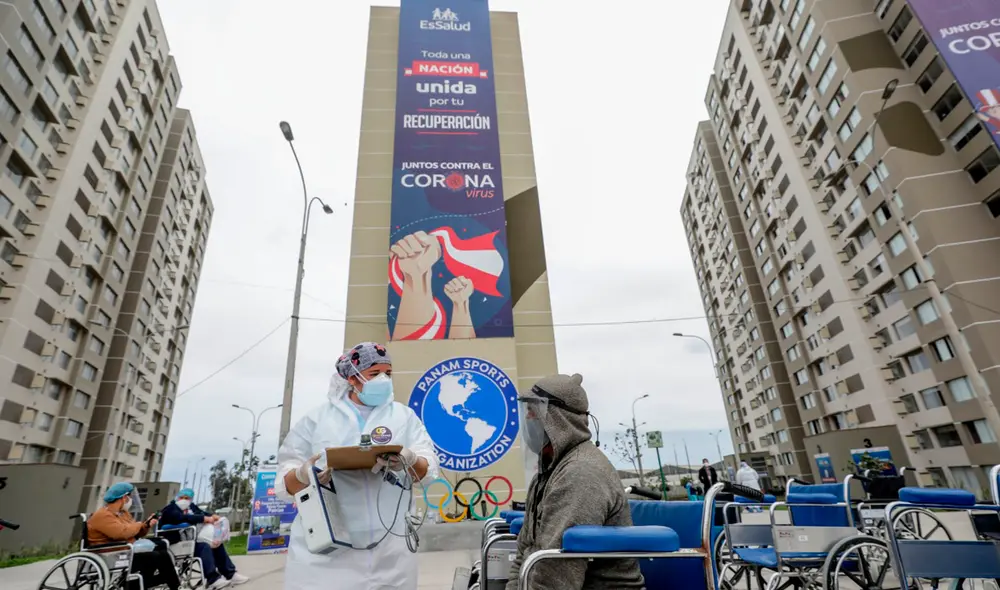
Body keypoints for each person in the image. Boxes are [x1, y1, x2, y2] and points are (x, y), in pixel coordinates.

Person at [274, 341, 439, 590]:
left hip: (390, 553)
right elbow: (285, 486)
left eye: (388, 373)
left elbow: (427, 471)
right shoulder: (317, 420)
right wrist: (305, 474)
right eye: (375, 374)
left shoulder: (403, 417)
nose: (383, 379)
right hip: (327, 557)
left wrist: (408, 458)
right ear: (352, 377)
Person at [507, 373, 645, 590]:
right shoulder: (546, 474)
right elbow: (525, 553)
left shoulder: (580, 473)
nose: (526, 420)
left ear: (558, 419)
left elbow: (556, 577)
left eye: (533, 412)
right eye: (526, 411)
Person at [88, 482, 181, 590]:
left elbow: (134, 532)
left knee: (161, 551)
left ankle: (170, 584)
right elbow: (121, 533)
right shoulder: (103, 515)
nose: (131, 499)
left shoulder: (123, 513)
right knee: (157, 557)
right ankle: (172, 584)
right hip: (110, 554)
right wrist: (138, 525)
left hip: (123, 550)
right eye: (130, 496)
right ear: (123, 497)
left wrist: (145, 525)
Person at [160, 488, 248, 589]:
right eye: (182, 497)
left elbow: (201, 513)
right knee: (204, 547)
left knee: (216, 543)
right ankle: (213, 579)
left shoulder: (191, 507)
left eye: (187, 498)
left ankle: (230, 574)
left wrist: (212, 516)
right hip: (176, 542)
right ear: (177, 498)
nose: (184, 500)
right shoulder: (170, 509)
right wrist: (203, 519)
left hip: (191, 540)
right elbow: (182, 518)